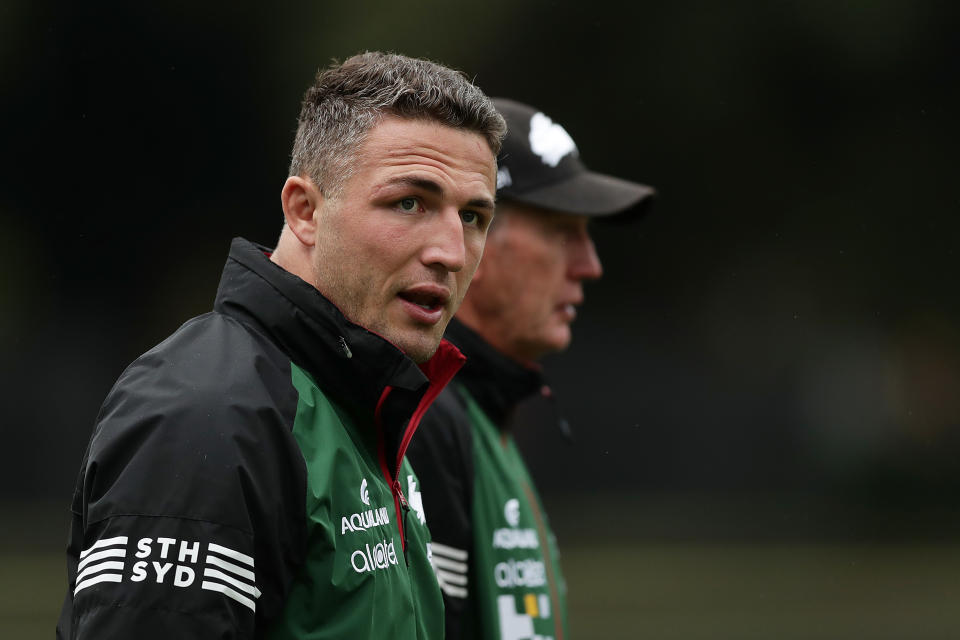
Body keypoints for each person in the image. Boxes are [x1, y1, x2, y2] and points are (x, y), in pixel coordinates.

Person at [56, 51, 505, 639]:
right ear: (305, 211)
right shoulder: (207, 415)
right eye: (409, 202)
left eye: (473, 216)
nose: (450, 250)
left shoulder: (362, 401)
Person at [406, 98, 655, 640]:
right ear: (476, 235)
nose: (590, 266)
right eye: (564, 232)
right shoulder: (421, 416)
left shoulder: (480, 405)